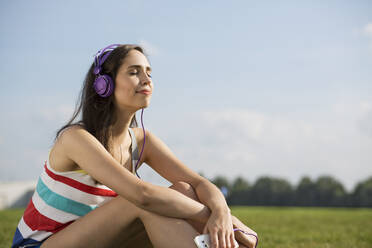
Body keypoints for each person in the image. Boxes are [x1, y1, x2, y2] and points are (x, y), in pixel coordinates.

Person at [11, 44, 258, 248]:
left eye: (149, 72)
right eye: (134, 72)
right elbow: (143, 196)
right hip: (41, 245)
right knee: (139, 201)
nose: (146, 79)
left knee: (182, 189)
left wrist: (223, 214)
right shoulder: (76, 138)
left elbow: (199, 184)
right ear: (103, 85)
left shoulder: (142, 141)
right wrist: (219, 220)